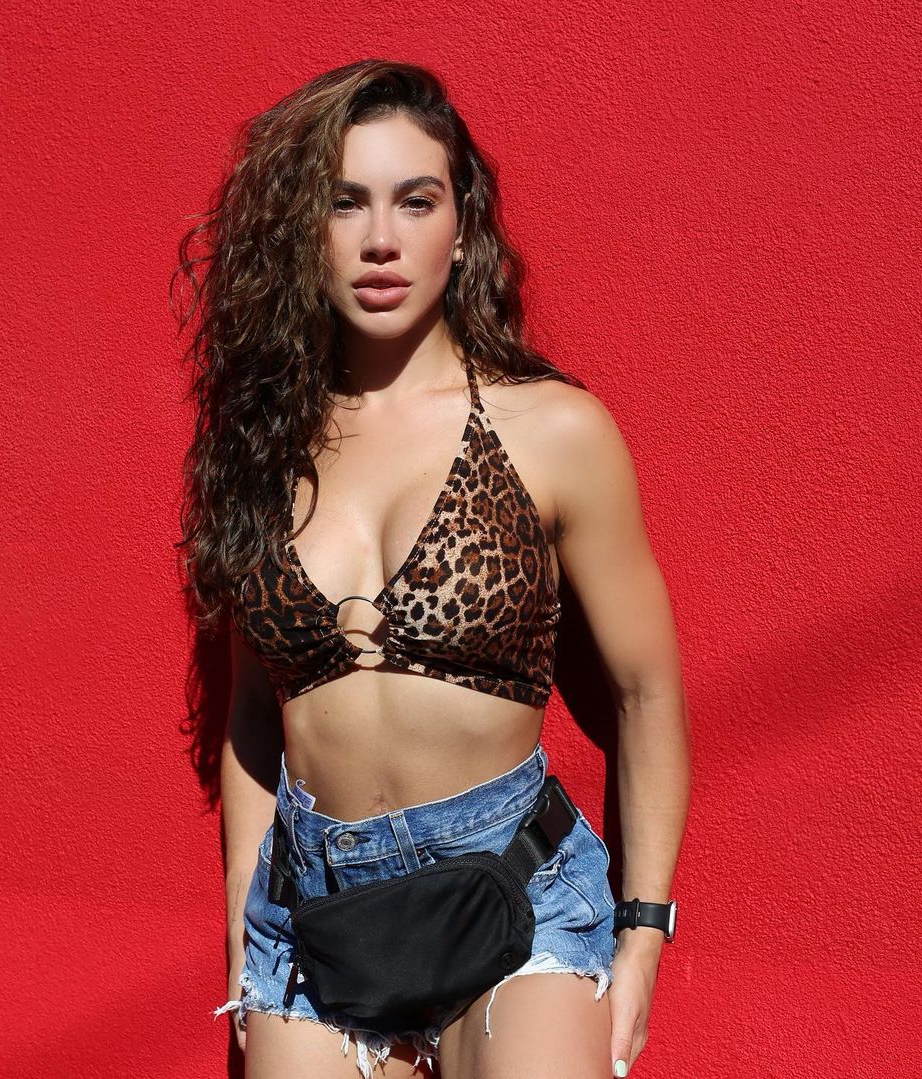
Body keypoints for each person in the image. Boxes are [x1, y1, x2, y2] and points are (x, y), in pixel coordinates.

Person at [173, 60, 691, 1079]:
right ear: (305, 229)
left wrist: (643, 932)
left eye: (416, 200)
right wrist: (243, 927)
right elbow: (254, 711)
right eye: (345, 202)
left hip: (515, 889)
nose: (382, 239)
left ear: (462, 227)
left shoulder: (554, 430)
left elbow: (646, 689)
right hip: (312, 914)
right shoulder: (261, 449)